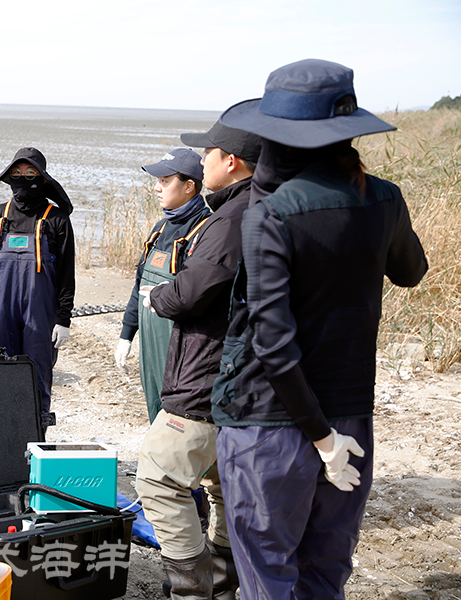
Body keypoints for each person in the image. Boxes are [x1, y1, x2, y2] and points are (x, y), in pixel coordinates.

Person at [212, 59, 428, 599]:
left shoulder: (271, 213)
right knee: (326, 568)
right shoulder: (383, 197)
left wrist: (319, 438)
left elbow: (273, 344)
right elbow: (411, 271)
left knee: (266, 571)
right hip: (350, 411)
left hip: (270, 418)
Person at [135, 130, 261, 599]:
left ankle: (192, 589)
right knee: (223, 484)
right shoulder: (264, 209)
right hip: (244, 381)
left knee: (157, 478)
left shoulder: (230, 220)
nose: (201, 161)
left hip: (209, 377)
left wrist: (157, 296)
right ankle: (225, 582)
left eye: (206, 154)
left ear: (229, 161)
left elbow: (191, 292)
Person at [0, 148, 75, 413]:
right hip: (0, 312)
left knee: (36, 376)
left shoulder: (57, 220)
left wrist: (64, 319)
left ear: (43, 179)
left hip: (40, 316)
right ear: (9, 177)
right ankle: (2, 437)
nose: (23, 178)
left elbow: (66, 274)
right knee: (0, 374)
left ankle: (36, 440)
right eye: (17, 173)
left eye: (30, 173)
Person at [115, 148, 211, 423]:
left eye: (165, 181)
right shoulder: (159, 229)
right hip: (150, 338)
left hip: (180, 343)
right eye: (157, 182)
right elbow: (139, 285)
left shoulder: (203, 231)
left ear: (190, 186)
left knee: (177, 419)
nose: (157, 188)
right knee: (154, 407)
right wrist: (126, 334)